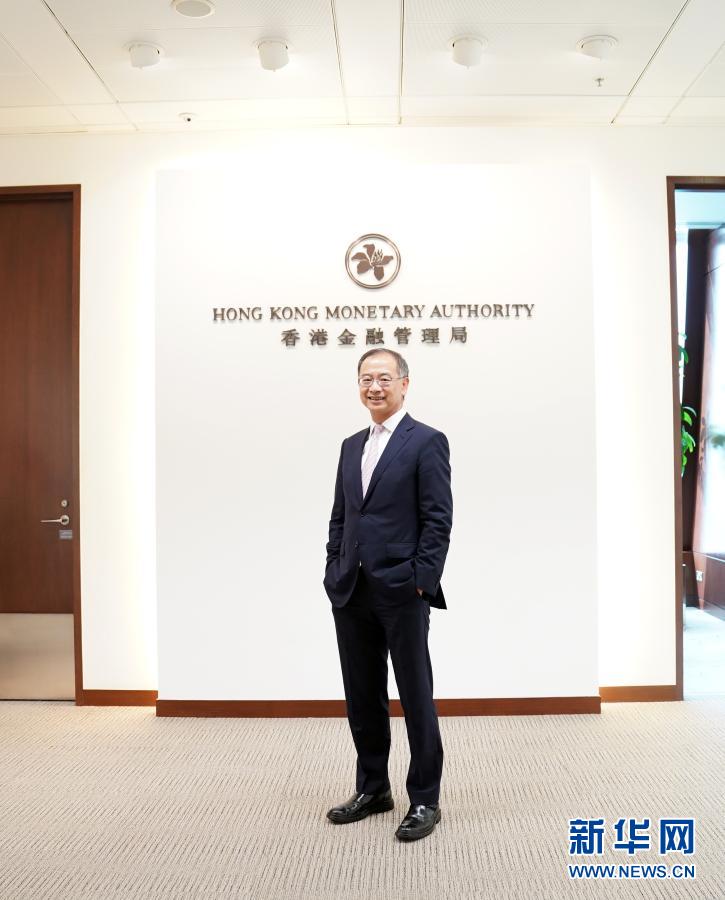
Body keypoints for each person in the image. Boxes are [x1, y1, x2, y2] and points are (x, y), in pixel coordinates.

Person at [323, 347, 453, 842]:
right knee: (362, 694)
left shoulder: (427, 441)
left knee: (415, 694)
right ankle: (373, 788)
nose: (373, 387)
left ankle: (425, 798)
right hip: (351, 588)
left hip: (402, 587)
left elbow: (438, 518)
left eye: (383, 378)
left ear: (404, 383)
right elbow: (341, 516)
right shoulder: (350, 445)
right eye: (365, 379)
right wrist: (333, 566)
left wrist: (422, 579)